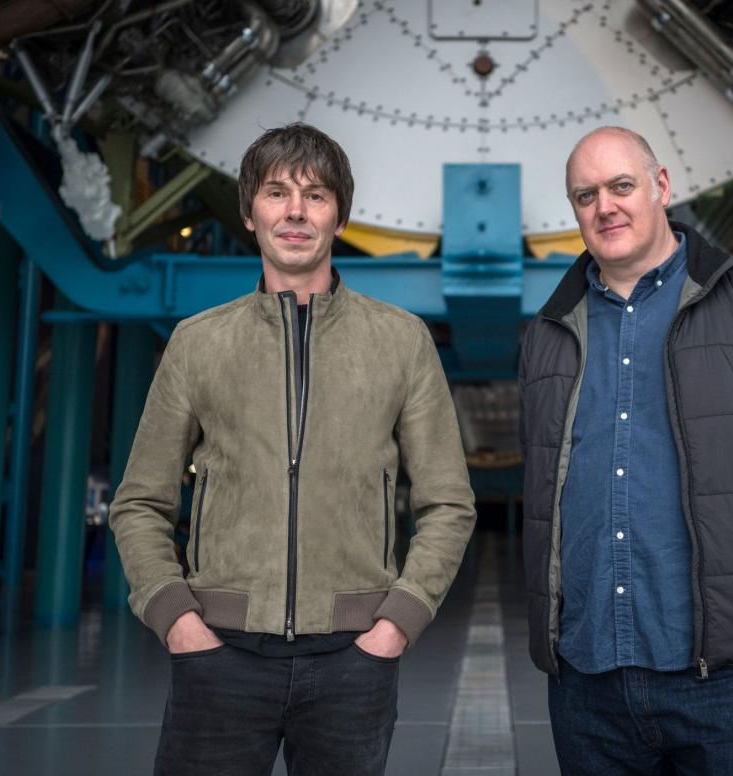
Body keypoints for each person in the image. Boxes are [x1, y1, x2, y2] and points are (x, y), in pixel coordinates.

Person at [110, 123, 476, 776]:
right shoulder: (198, 343)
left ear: (340, 214)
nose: (296, 211)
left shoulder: (401, 342)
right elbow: (140, 501)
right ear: (251, 212)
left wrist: (394, 627)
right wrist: (179, 623)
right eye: (277, 193)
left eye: (316, 195)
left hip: (353, 665)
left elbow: (448, 503)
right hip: (218, 657)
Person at [517, 126, 733, 775]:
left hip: (728, 677)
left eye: (621, 186)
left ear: (661, 186)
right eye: (586, 195)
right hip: (587, 679)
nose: (605, 207)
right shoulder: (548, 334)